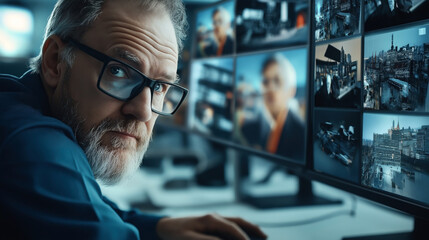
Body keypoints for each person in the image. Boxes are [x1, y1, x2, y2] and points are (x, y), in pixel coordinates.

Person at [0, 1, 267, 239]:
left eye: (160, 87)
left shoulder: (19, 105)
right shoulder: (31, 143)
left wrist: (157, 227)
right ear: (55, 61)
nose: (144, 111)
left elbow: (90, 207)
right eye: (119, 71)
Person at [240, 54, 305, 161]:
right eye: (265, 81)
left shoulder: (301, 134)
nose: (270, 88)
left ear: (291, 90)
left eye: (277, 81)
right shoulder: (247, 128)